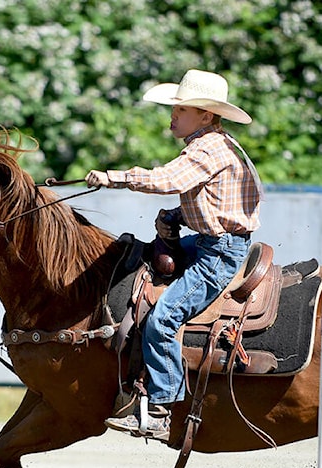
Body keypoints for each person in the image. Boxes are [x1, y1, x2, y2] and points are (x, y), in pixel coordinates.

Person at [86, 69, 263, 441]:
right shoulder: (218, 145)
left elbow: (169, 181)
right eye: (175, 108)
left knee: (164, 318)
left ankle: (163, 407)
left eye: (181, 109)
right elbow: (214, 202)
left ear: (206, 115)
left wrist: (113, 177)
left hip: (218, 254)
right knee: (139, 262)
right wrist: (177, 216)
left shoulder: (207, 148)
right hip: (211, 242)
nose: (173, 115)